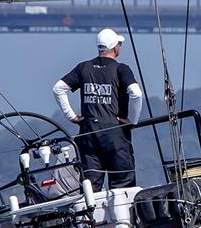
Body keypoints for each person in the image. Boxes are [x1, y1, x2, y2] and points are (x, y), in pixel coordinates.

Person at [53, 28, 142, 191]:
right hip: (116, 136)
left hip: (89, 136)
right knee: (123, 186)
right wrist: (132, 121)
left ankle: (91, 217)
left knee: (90, 187)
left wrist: (71, 116)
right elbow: (136, 93)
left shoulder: (84, 68)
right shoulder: (121, 69)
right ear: (115, 48)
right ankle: (123, 217)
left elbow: (58, 88)